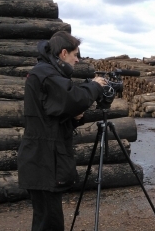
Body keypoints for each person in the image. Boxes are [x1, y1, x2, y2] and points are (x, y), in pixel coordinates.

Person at [17, 31, 107, 231]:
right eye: (75, 55)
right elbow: (73, 98)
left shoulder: (45, 71)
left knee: (47, 220)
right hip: (43, 161)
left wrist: (73, 118)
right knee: (50, 223)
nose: (77, 60)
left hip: (41, 159)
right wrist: (94, 86)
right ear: (64, 53)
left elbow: (50, 116)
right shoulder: (46, 73)